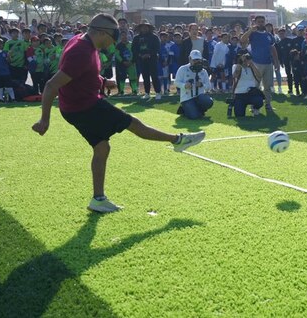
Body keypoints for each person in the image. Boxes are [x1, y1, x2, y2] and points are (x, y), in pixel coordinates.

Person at [31, 13, 205, 213]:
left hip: (74, 107)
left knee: (102, 147)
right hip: (85, 107)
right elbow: (51, 85)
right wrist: (44, 119)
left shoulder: (82, 42)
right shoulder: (81, 50)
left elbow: (80, 72)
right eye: (113, 37)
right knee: (133, 123)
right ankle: (178, 140)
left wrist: (102, 81)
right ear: (103, 33)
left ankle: (98, 199)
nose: (113, 42)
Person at [230, 52, 266, 118]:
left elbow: (259, 76)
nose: (245, 60)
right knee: (239, 115)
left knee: (259, 101)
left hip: (251, 93)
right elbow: (235, 75)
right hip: (240, 94)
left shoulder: (251, 67)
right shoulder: (235, 66)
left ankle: (255, 108)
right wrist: (240, 63)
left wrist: (251, 64)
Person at [131, 22, 161, 100]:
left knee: (154, 76)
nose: (144, 28)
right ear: (140, 28)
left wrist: (149, 54)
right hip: (142, 60)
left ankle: (158, 92)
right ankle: (147, 93)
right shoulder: (136, 38)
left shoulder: (154, 37)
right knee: (145, 76)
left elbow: (157, 48)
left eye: (146, 27)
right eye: (142, 27)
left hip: (152, 59)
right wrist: (140, 55)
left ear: (149, 28)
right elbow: (134, 49)